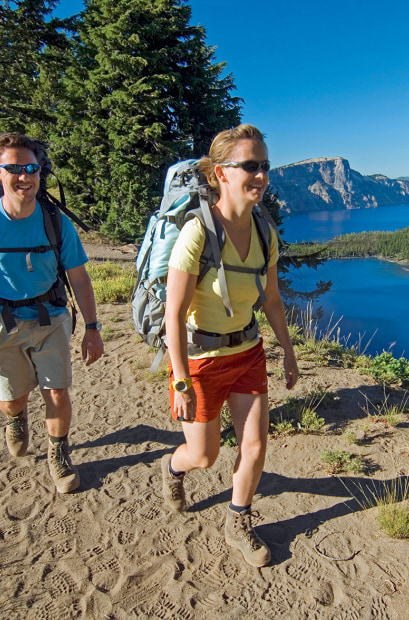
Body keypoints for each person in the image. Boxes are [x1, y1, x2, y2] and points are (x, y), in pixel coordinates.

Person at [161, 124, 299, 567]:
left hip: (247, 353)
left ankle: (238, 519)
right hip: (200, 360)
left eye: (264, 166)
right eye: (249, 166)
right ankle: (173, 467)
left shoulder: (265, 233)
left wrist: (289, 352)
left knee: (255, 445)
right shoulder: (197, 233)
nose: (260, 175)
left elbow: (273, 300)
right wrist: (180, 378)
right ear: (221, 172)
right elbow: (174, 314)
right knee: (203, 455)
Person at [0, 133, 104, 494]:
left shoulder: (55, 221)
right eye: (13, 168)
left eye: (30, 168)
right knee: (10, 399)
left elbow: (79, 278)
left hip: (50, 318)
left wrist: (92, 328)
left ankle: (59, 453)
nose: (24, 176)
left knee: (57, 393)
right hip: (0, 323)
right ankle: (16, 419)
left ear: (40, 172)